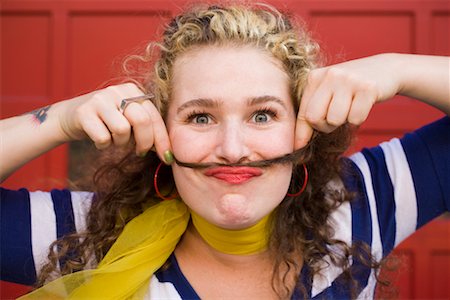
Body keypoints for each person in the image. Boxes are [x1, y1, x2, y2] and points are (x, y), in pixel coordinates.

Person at [1, 2, 449, 299]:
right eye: (200, 117)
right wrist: (59, 120)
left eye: (262, 115)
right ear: (161, 132)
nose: (232, 150)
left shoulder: (360, 200)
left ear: (303, 123)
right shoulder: (91, 236)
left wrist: (398, 68)